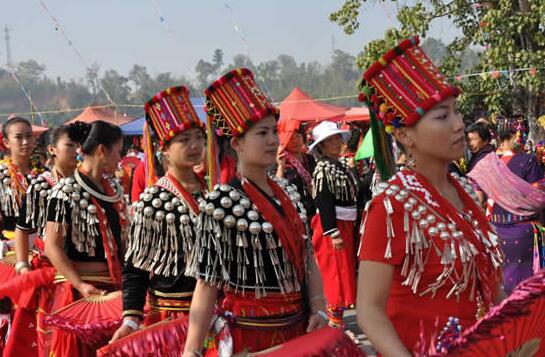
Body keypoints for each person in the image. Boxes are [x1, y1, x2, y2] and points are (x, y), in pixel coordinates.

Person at [356, 37, 504, 356]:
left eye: (456, 112)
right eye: (441, 116)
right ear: (406, 135)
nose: (458, 125)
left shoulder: (467, 192)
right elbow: (368, 310)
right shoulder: (391, 207)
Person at [183, 68, 326, 356]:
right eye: (262, 133)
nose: (273, 140)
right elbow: (207, 282)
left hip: (298, 326)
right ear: (237, 144)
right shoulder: (221, 204)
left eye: (274, 131)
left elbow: (308, 255)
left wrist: (319, 308)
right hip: (249, 332)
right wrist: (192, 349)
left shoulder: (289, 193)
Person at [110, 86, 206, 342]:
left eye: (198, 137)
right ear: (164, 148)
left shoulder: (215, 193)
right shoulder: (152, 202)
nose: (195, 145)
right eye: (184, 140)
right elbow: (136, 268)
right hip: (172, 316)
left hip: (217, 315)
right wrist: (131, 319)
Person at [43, 120, 127, 356]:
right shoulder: (65, 191)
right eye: (118, 151)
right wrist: (79, 284)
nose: (121, 158)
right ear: (102, 151)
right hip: (81, 290)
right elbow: (52, 246)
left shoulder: (112, 188)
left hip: (114, 288)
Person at [4, 124, 81, 356]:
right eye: (70, 145)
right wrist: (22, 264)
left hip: (82, 269)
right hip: (49, 272)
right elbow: (22, 227)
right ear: (52, 149)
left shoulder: (87, 183)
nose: (77, 150)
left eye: (80, 146)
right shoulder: (41, 184)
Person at [469, 120, 544, 294]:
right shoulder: (528, 160)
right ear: (515, 136)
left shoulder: (484, 164)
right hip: (524, 234)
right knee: (527, 290)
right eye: (523, 135)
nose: (524, 140)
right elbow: (539, 198)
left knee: (501, 289)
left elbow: (477, 201)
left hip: (494, 234)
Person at [308, 121, 358, 328]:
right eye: (331, 140)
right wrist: (333, 232)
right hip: (333, 227)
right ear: (321, 146)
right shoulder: (323, 169)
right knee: (334, 273)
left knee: (344, 271)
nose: (337, 142)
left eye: (338, 138)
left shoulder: (338, 165)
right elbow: (324, 200)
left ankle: (337, 321)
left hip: (344, 224)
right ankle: (334, 322)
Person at [271, 119, 316, 217]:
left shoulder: (310, 159)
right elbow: (275, 188)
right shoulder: (279, 161)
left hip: (314, 209)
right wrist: (280, 167)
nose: (295, 140)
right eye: (291, 137)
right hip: (294, 212)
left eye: (298, 136)